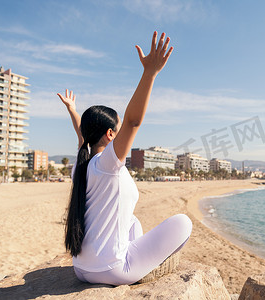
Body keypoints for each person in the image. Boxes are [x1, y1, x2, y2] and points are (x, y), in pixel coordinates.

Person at [57, 32, 192, 286]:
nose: (121, 137)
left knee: (132, 221)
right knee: (184, 222)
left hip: (81, 268)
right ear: (110, 135)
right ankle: (144, 271)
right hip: (112, 270)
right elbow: (133, 120)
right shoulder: (107, 164)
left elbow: (81, 135)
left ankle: (134, 263)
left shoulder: (81, 164)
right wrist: (150, 73)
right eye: (117, 132)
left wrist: (73, 111)